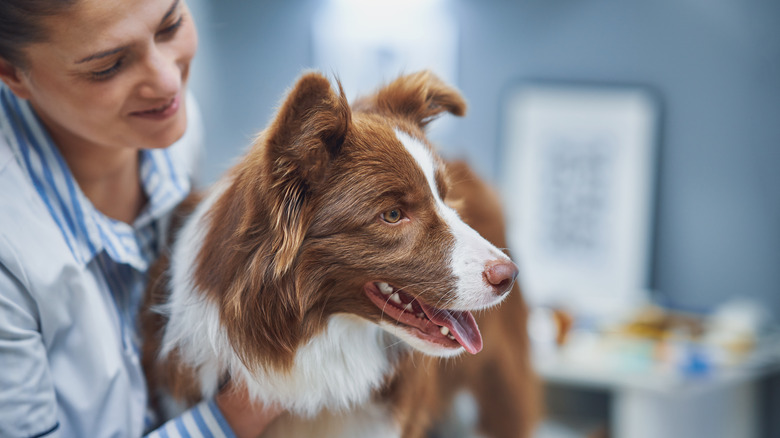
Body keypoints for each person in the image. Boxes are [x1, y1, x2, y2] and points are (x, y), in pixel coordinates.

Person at [0, 1, 280, 436]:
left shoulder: (167, 126)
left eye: (170, 26)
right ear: (13, 73)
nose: (168, 82)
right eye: (108, 66)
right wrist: (235, 416)